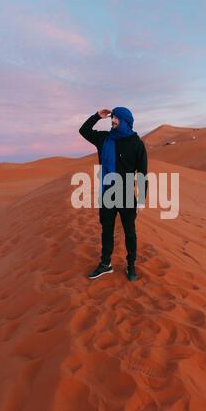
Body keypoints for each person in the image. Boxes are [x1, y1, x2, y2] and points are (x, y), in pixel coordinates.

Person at [79, 107, 148, 281]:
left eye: (117, 118)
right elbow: (84, 131)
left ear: (126, 121)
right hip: (107, 192)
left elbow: (142, 173)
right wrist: (97, 116)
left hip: (126, 193)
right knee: (106, 230)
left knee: (130, 232)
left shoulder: (136, 143)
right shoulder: (104, 139)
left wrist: (141, 201)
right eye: (113, 117)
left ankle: (131, 266)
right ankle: (105, 264)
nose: (113, 120)